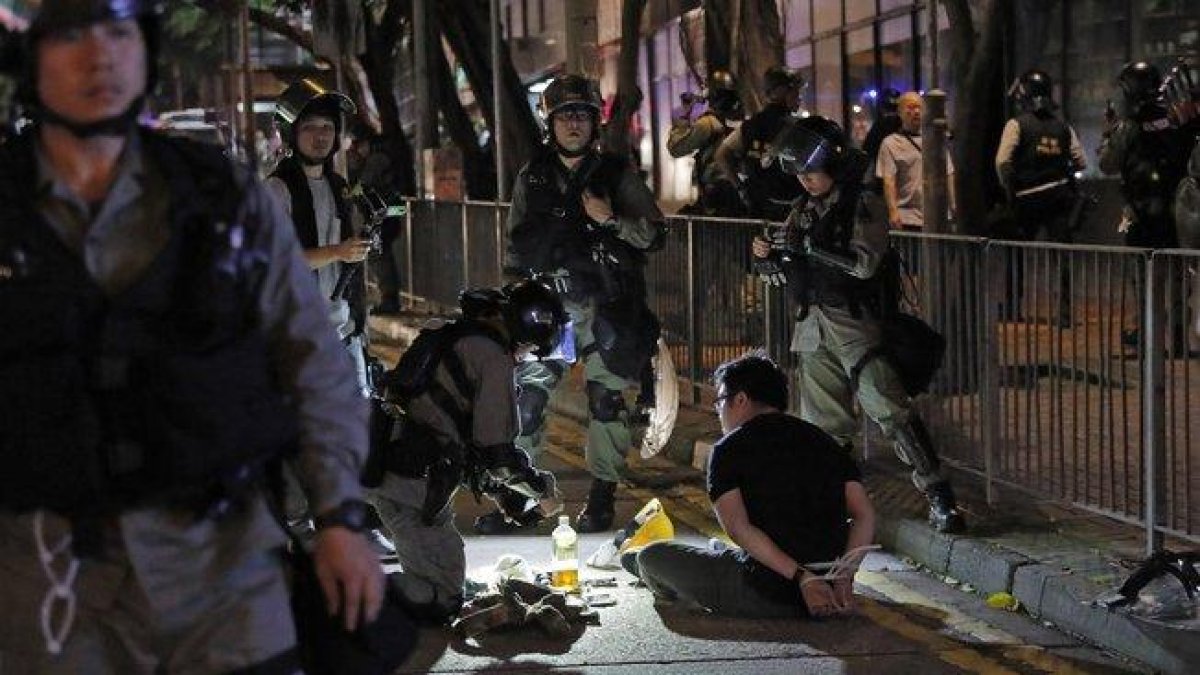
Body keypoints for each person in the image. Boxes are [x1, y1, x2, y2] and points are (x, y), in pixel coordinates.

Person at [0, 1, 384, 672]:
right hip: (48, 578)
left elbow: (311, 359)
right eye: (72, 35)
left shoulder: (221, 196)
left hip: (220, 565)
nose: (100, 55)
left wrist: (340, 515)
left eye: (119, 32)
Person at [750, 115, 967, 533]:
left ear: (832, 165)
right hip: (811, 326)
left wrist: (809, 247)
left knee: (889, 407)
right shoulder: (801, 209)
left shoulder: (863, 203)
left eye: (812, 171)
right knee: (824, 428)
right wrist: (767, 258)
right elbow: (787, 264)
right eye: (800, 173)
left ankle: (939, 495)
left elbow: (865, 264)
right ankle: (831, 502)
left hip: (854, 324)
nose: (805, 180)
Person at [485, 73, 666, 534]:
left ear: (594, 122)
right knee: (526, 402)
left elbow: (654, 234)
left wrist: (610, 219)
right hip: (548, 309)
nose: (573, 124)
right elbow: (514, 251)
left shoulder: (616, 174)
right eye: (564, 115)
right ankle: (523, 499)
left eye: (582, 115)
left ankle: (602, 497)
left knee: (606, 402)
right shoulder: (533, 176)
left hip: (606, 306)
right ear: (550, 123)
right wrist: (510, 314)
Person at [367, 279, 567, 624]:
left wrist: (504, 496)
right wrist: (540, 490)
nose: (525, 357)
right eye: (529, 349)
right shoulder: (493, 358)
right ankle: (339, 592)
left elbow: (460, 438)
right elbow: (497, 455)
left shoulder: (458, 336)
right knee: (442, 601)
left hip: (400, 470)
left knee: (448, 583)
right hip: (410, 486)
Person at [629, 351, 876, 618]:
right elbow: (864, 515)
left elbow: (738, 529)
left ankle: (642, 567)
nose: (719, 412)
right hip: (829, 588)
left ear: (740, 399)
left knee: (650, 556)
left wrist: (802, 578)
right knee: (721, 549)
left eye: (720, 402)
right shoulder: (826, 442)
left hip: (764, 592)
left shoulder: (728, 449)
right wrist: (843, 577)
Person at [267, 77, 371, 393]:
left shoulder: (339, 186)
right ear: (290, 133)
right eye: (309, 127)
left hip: (344, 333)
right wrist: (338, 251)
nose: (320, 136)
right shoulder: (277, 189)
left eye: (328, 127)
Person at [1100, 61, 1195, 350]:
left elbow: (1107, 164)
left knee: (1143, 278)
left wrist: (1109, 132)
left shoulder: (1128, 127)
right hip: (1175, 212)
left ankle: (1148, 334)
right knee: (1178, 277)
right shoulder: (1176, 120)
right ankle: (1178, 334)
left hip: (1140, 212)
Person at [994, 69, 1087, 325]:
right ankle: (1065, 312)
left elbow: (1002, 161)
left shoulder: (1016, 125)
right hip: (1059, 198)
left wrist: (1009, 188)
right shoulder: (1064, 127)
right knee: (1062, 256)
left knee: (1016, 254)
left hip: (1025, 200)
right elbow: (1081, 162)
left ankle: (1013, 307)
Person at [715, 65, 807, 222]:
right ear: (780, 92)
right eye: (795, 91)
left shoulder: (749, 125)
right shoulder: (800, 127)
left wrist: (740, 188)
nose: (799, 96)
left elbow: (721, 155)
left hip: (758, 209)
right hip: (791, 212)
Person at [667, 69, 745, 217]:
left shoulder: (708, 123)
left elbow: (676, 149)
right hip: (738, 190)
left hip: (716, 195)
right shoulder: (741, 122)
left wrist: (685, 113)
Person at [876, 91, 957, 231]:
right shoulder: (890, 143)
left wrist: (953, 205)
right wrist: (893, 211)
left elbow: (948, 173)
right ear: (900, 112)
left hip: (938, 215)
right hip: (908, 217)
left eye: (920, 107)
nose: (916, 112)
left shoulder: (936, 140)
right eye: (911, 107)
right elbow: (889, 181)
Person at [861, 87, 901, 194]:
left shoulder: (879, 125)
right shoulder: (903, 125)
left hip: (882, 177)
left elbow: (867, 149)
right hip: (902, 179)